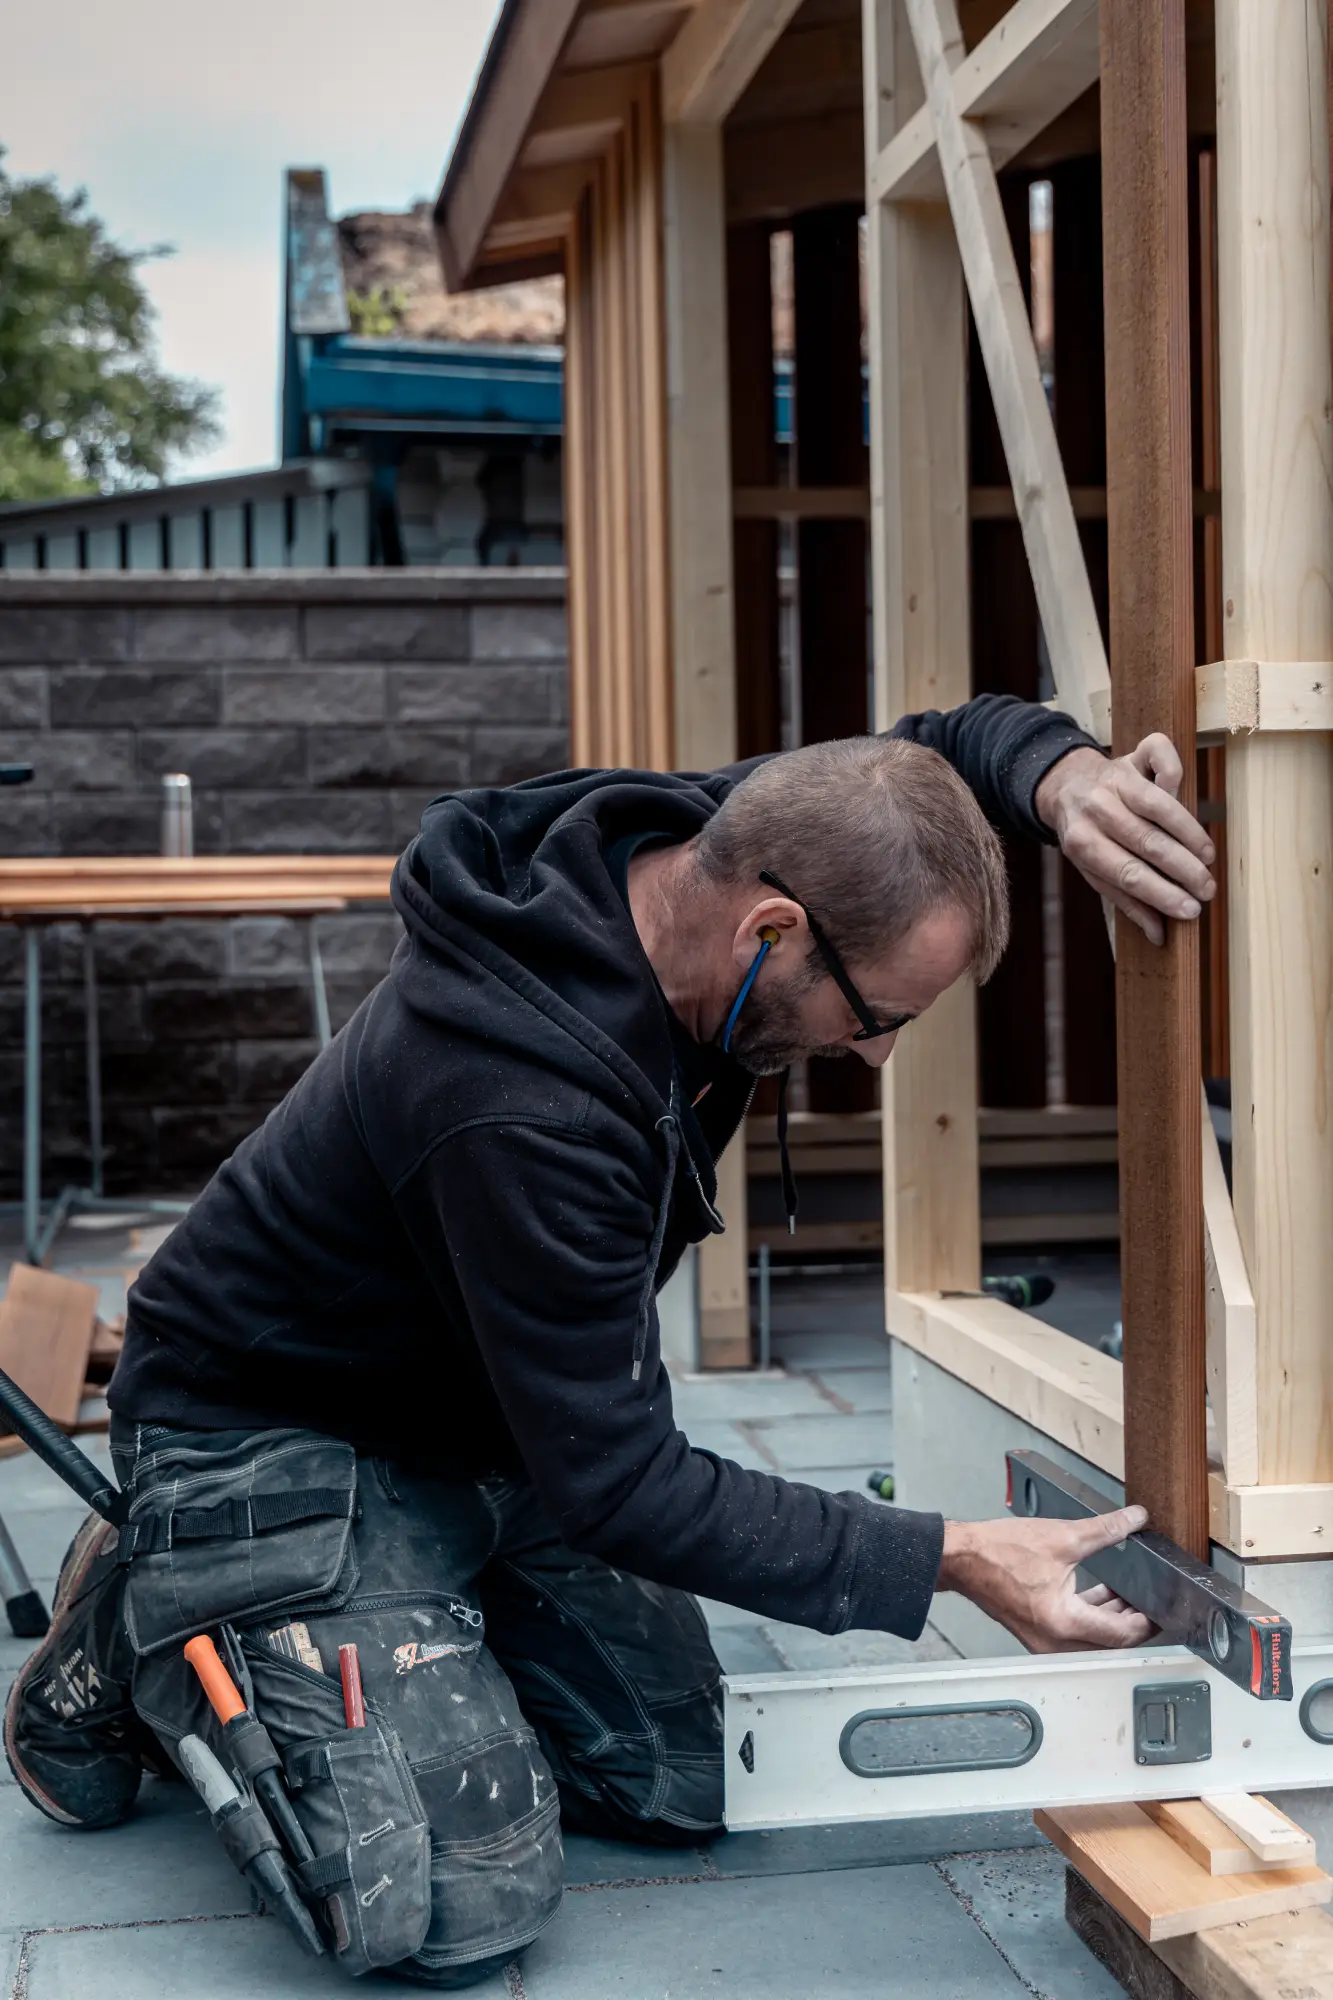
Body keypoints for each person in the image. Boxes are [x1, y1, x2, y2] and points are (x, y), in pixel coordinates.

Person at [6, 694, 1215, 1987]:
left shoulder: (719, 845)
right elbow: (624, 1486)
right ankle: (158, 1586)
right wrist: (959, 1557)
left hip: (482, 1416)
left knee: (684, 1777)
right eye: (876, 1018)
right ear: (772, 931)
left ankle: (396, 1586)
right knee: (444, 1901)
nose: (869, 1061)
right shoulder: (517, 1104)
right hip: (266, 1425)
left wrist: (1062, 780)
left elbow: (920, 755)